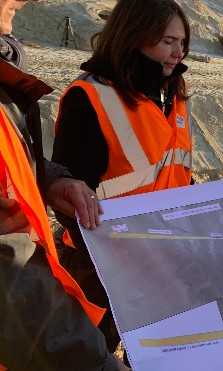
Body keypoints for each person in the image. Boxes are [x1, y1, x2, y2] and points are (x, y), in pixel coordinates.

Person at [51, 0, 193, 361]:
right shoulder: (91, 97)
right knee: (86, 356)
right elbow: (69, 192)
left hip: (164, 255)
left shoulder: (174, 91)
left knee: (155, 356)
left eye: (182, 42)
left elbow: (176, 173)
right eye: (167, 42)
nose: (178, 53)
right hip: (100, 261)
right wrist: (108, 255)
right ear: (134, 38)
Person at [0, 0, 127, 369]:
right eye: (167, 40)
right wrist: (98, 365)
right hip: (95, 255)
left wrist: (47, 178)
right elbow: (11, 279)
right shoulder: (91, 96)